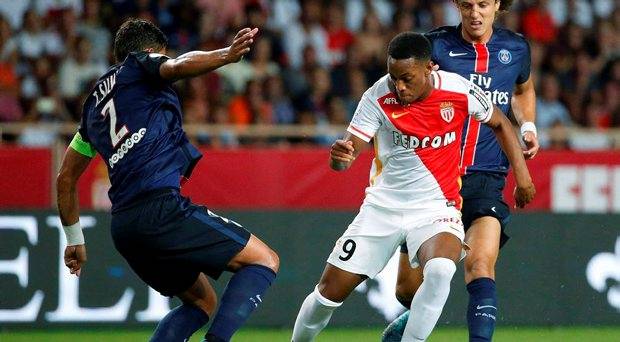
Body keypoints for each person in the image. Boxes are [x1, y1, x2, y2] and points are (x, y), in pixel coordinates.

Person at [291, 32, 534, 342]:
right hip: (382, 209)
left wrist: (523, 176)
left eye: (407, 78)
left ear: (429, 68)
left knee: (441, 270)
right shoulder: (377, 96)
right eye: (394, 78)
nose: (400, 86)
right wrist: (340, 157)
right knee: (328, 295)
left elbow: (499, 121)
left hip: (436, 208)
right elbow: (346, 156)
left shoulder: (457, 89)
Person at [56, 19, 279, 342]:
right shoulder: (140, 65)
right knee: (264, 260)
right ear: (151, 51)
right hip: (160, 209)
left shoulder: (93, 108)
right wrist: (226, 55)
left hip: (125, 228)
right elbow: (177, 66)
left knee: (202, 303)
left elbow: (65, 178)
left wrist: (75, 240)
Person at [382, 1, 539, 341]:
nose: (474, 13)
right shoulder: (434, 45)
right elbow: (404, 90)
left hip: (486, 177)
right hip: (433, 181)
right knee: (406, 292)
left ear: (498, 5)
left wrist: (528, 126)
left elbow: (523, 90)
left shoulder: (515, 48)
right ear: (456, 5)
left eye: (483, 4)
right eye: (467, 4)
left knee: (480, 265)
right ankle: (417, 319)